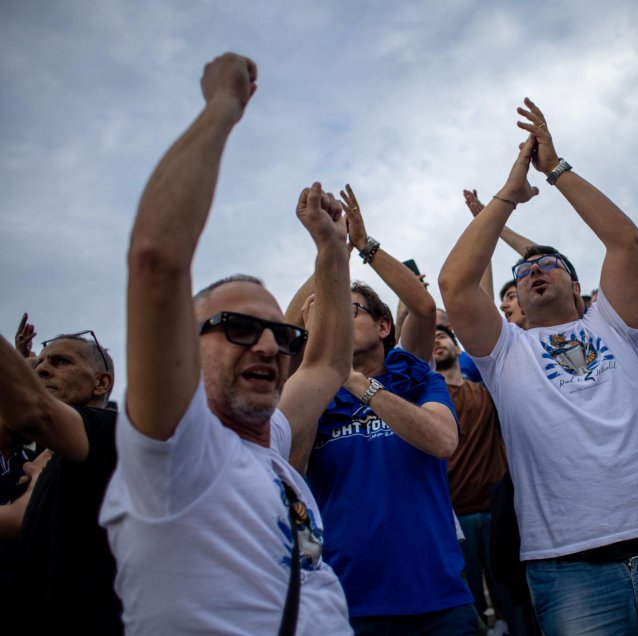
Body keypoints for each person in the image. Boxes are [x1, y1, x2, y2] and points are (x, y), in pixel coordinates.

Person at [99, 53, 353, 633]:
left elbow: (328, 364)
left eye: (280, 335)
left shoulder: (269, 445)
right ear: (185, 347)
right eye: (238, 328)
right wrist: (222, 107)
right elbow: (158, 260)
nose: (267, 346)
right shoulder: (174, 453)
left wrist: (332, 251)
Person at [440, 98, 638, 634]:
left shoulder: (614, 325)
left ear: (577, 285)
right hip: (568, 570)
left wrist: (554, 169)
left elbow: (625, 240)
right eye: (523, 271)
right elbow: (456, 285)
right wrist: (507, 197)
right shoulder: (505, 351)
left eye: (547, 264)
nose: (534, 271)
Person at [304, 184, 477, 634]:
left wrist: (363, 245)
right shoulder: (313, 394)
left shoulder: (412, 375)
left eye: (351, 308)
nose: (337, 315)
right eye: (330, 309)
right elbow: (286, 328)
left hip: (438, 600)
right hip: (348, 605)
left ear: (384, 327)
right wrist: (331, 249)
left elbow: (421, 307)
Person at [0, 327, 121, 634]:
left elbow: (33, 411)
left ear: (101, 382)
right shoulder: (44, 458)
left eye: (60, 362)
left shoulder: (113, 430)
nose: (42, 369)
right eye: (39, 363)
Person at [433, 324, 511, 629]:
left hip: (497, 514)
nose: (436, 342)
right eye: (429, 339)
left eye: (441, 337)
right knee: (470, 608)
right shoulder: (426, 403)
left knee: (511, 601)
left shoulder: (485, 393)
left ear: (457, 348)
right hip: (454, 521)